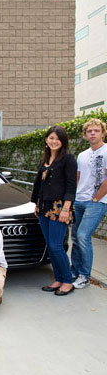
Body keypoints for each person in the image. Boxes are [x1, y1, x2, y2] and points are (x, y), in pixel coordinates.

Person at [31, 125, 77, 296]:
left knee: (57, 246)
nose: (54, 141)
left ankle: (67, 281)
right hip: (44, 207)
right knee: (50, 246)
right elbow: (39, 184)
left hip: (60, 208)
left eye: (57, 138)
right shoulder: (44, 160)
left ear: (63, 141)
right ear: (46, 140)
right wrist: (36, 204)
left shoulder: (68, 159)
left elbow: (71, 185)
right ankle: (58, 279)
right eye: (51, 138)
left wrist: (66, 208)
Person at [71, 118, 107, 289]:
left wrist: (96, 197)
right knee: (75, 237)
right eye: (89, 131)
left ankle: (85, 275)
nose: (93, 133)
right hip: (79, 200)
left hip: (96, 202)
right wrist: (74, 197)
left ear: (102, 132)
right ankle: (75, 271)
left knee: (83, 236)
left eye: (96, 130)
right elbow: (78, 177)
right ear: (85, 134)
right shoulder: (82, 155)